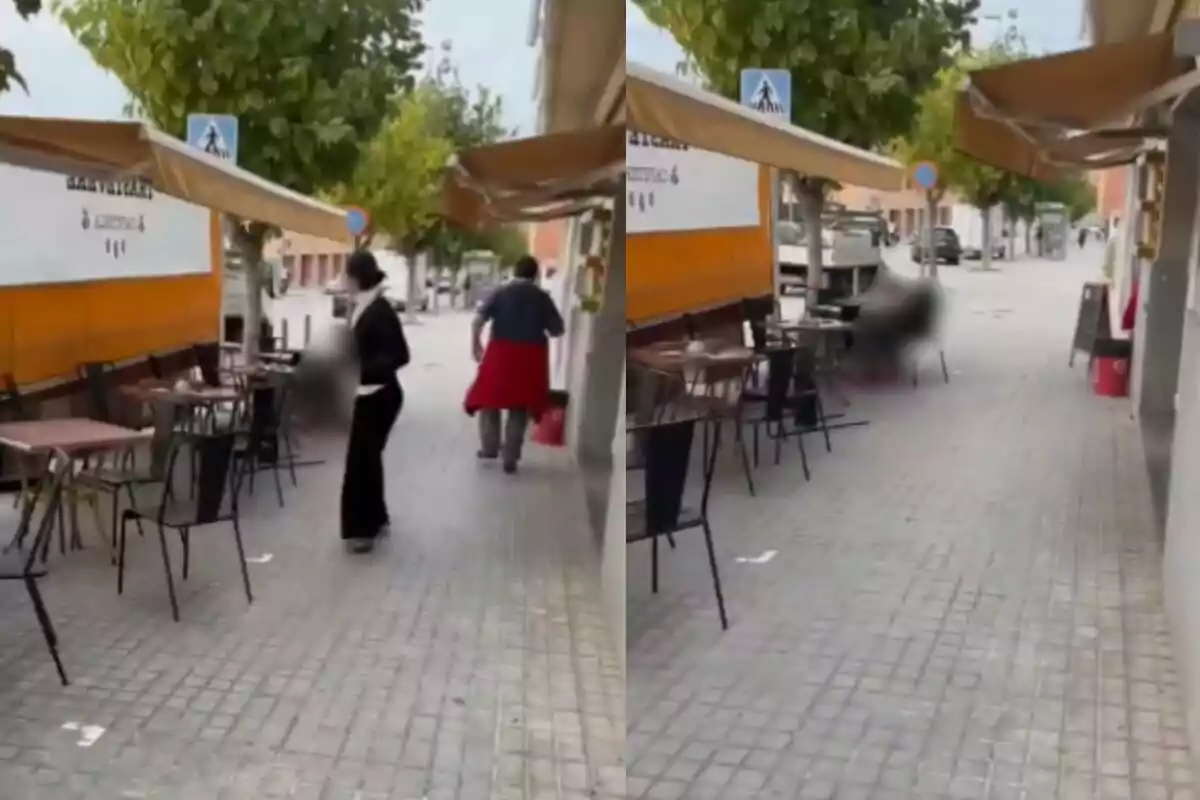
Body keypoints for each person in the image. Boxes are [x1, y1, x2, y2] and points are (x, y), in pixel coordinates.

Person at [463, 255, 565, 473]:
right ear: (535, 274)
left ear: (516, 272)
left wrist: (475, 345)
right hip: (529, 358)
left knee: (489, 400)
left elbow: (478, 320)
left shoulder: (501, 292)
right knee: (519, 405)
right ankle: (511, 456)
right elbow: (557, 329)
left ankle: (489, 448)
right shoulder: (541, 297)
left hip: (500, 353)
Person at [340, 250, 410, 553]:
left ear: (356, 278)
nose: (342, 280)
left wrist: (362, 370)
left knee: (360, 463)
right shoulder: (362, 306)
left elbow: (400, 355)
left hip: (379, 395)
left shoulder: (380, 310)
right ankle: (376, 519)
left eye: (345, 274)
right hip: (370, 393)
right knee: (367, 460)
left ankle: (363, 531)